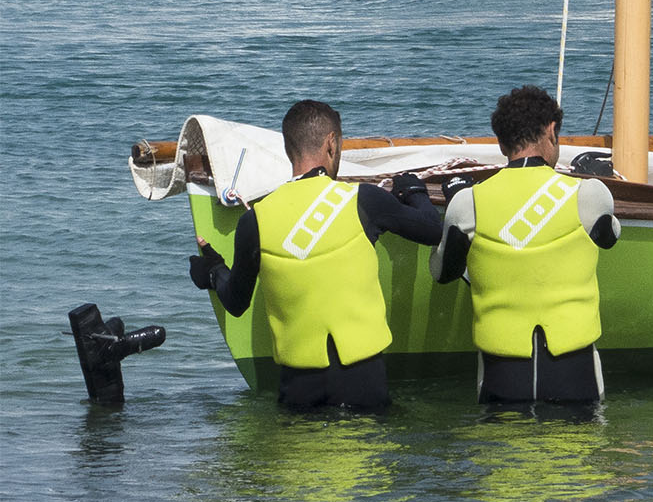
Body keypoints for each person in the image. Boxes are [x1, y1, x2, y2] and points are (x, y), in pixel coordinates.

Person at [188, 99, 442, 410]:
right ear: (332, 145)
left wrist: (212, 270)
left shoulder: (255, 220)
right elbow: (432, 230)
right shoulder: (363, 200)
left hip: (299, 389)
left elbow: (237, 302)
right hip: (364, 384)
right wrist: (414, 191)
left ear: (287, 149)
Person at [432, 85, 619, 404]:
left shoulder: (468, 203)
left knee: (503, 451)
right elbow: (609, 238)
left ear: (501, 141)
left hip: (503, 375)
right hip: (575, 374)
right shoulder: (588, 194)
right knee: (579, 450)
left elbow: (442, 272)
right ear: (551, 131)